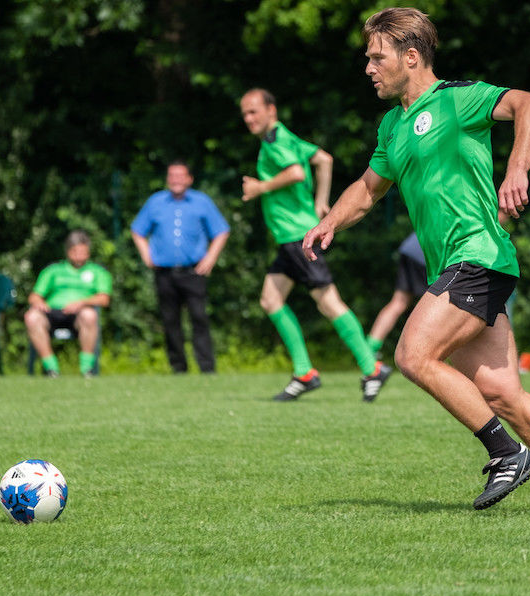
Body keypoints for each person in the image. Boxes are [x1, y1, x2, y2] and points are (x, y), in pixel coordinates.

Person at [302, 7, 530, 513]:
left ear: (411, 57)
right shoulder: (392, 127)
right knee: (500, 392)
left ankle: (506, 453)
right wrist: (330, 222)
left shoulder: (457, 99)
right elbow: (368, 188)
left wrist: (517, 170)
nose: (368, 68)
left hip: (478, 256)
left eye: (377, 57)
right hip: (456, 267)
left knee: (412, 356)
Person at [239, 87, 392, 402]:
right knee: (270, 300)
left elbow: (296, 172)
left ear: (271, 110)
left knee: (328, 303)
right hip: (290, 239)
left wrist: (260, 187)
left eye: (254, 111)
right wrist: (321, 203)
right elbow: (323, 159)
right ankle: (305, 373)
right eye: (245, 113)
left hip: (297, 237)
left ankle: (370, 366)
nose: (248, 118)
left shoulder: (274, 141)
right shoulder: (287, 136)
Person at [131, 161, 230, 374]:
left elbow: (221, 230)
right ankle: (178, 368)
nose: (176, 180)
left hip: (193, 272)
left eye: (180, 175)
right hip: (164, 273)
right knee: (170, 321)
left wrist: (210, 258)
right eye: (172, 176)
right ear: (167, 179)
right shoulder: (155, 202)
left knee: (199, 318)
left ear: (189, 179)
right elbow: (137, 230)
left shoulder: (202, 202)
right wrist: (146, 255)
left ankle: (207, 368)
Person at [25, 230, 112, 377]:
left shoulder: (98, 272)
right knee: (31, 317)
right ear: (68, 251)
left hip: (80, 315)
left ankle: (87, 369)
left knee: (90, 315)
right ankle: (50, 368)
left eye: (83, 252)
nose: (80, 256)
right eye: (76, 252)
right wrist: (39, 303)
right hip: (52, 313)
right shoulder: (53, 270)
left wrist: (82, 303)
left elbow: (104, 299)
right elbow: (34, 296)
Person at [366, 232, 427, 356]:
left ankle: (369, 351)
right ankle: (420, 354)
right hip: (427, 253)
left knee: (399, 302)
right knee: (433, 305)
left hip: (411, 247)